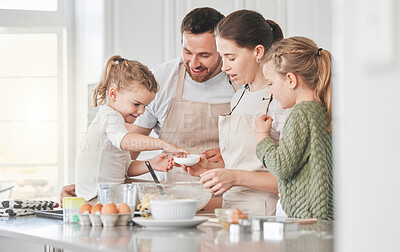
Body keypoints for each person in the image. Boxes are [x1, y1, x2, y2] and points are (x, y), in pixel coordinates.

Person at [61, 8, 234, 209]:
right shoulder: (161, 80)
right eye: (187, 52)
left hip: (224, 199)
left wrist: (229, 152)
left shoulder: (239, 81)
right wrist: (90, 186)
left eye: (204, 55)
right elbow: (125, 153)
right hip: (172, 202)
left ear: (222, 48)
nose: (194, 62)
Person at [184, 10, 290, 216]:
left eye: (231, 57)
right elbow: (245, 163)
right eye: (222, 57)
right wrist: (208, 170)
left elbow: (293, 181)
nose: (224, 67)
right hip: (232, 215)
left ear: (258, 52)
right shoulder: (239, 97)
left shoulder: (281, 100)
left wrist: (235, 177)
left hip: (266, 220)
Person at [75, 55, 187, 202]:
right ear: (114, 94)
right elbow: (126, 142)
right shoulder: (109, 117)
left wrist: (151, 164)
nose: (141, 111)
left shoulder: (117, 123)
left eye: (145, 106)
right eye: (136, 104)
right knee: (166, 197)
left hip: (108, 193)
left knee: (163, 194)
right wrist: (163, 144)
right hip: (97, 197)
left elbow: (125, 168)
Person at [254, 36, 333, 220]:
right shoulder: (322, 110)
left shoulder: (301, 114)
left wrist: (262, 137)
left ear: (290, 79)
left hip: (307, 217)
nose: (271, 91)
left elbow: (282, 166)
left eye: (271, 83)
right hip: (323, 213)